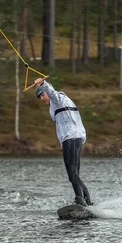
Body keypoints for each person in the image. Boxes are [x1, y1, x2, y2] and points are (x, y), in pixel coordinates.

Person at [34, 77, 93, 206]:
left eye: (42, 95)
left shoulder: (58, 99)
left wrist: (43, 84)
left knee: (72, 174)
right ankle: (88, 201)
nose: (42, 99)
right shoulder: (62, 102)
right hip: (76, 138)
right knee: (74, 174)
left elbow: (51, 92)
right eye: (39, 97)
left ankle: (80, 201)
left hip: (70, 139)